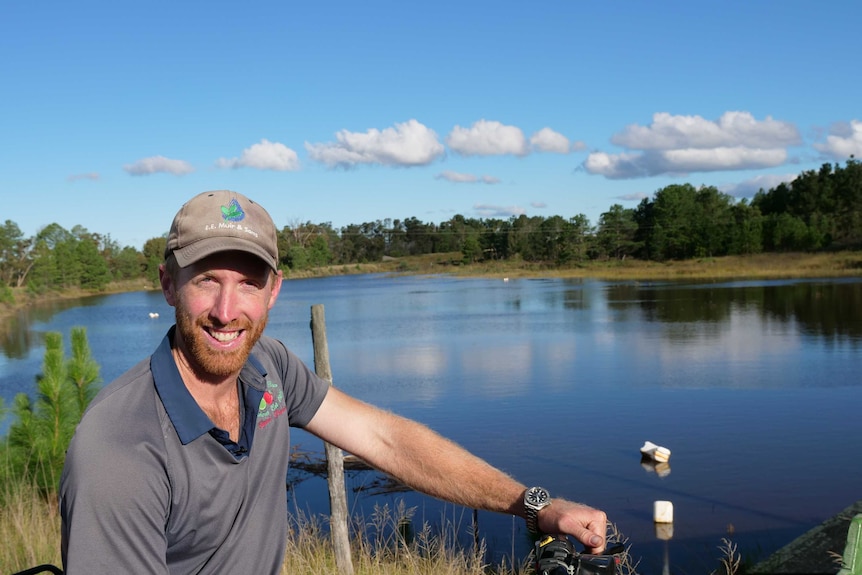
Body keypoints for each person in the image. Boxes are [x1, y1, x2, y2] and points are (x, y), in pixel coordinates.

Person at [59, 190, 608, 574]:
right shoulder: (120, 450)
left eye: (248, 284)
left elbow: (386, 439)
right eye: (207, 281)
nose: (227, 312)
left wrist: (536, 505)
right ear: (168, 285)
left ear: (274, 292)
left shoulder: (267, 368)